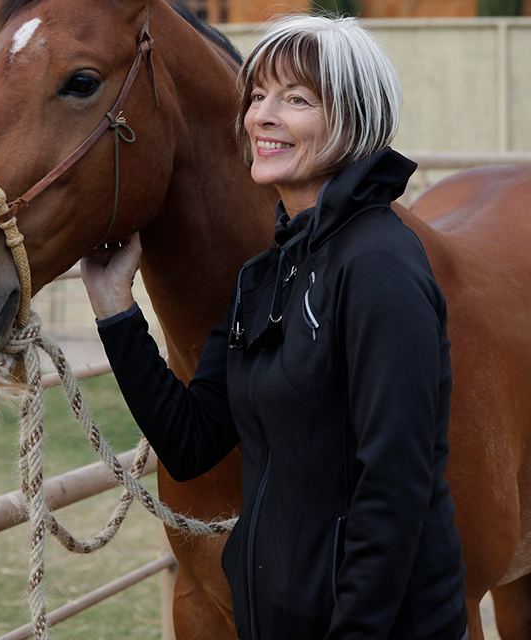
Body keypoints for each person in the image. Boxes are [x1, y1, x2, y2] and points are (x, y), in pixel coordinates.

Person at [80, 14, 468, 640]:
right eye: (258, 95)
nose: (263, 115)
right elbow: (191, 441)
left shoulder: (380, 267)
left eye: (296, 99)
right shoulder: (263, 277)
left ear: (354, 118)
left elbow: (395, 485)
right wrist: (113, 308)